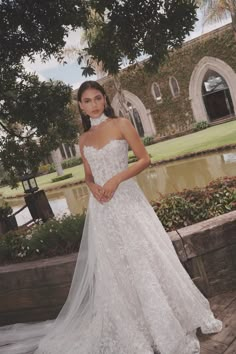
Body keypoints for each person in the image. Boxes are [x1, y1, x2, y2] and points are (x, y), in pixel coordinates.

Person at [0, 80, 222, 354]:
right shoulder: (83, 140)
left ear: (104, 100)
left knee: (144, 260)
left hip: (128, 202)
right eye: (87, 101)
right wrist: (93, 188)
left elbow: (144, 159)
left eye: (97, 98)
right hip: (103, 211)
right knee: (116, 269)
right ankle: (135, 328)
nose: (93, 104)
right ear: (81, 107)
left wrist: (116, 180)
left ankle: (165, 325)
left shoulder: (121, 125)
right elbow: (89, 176)